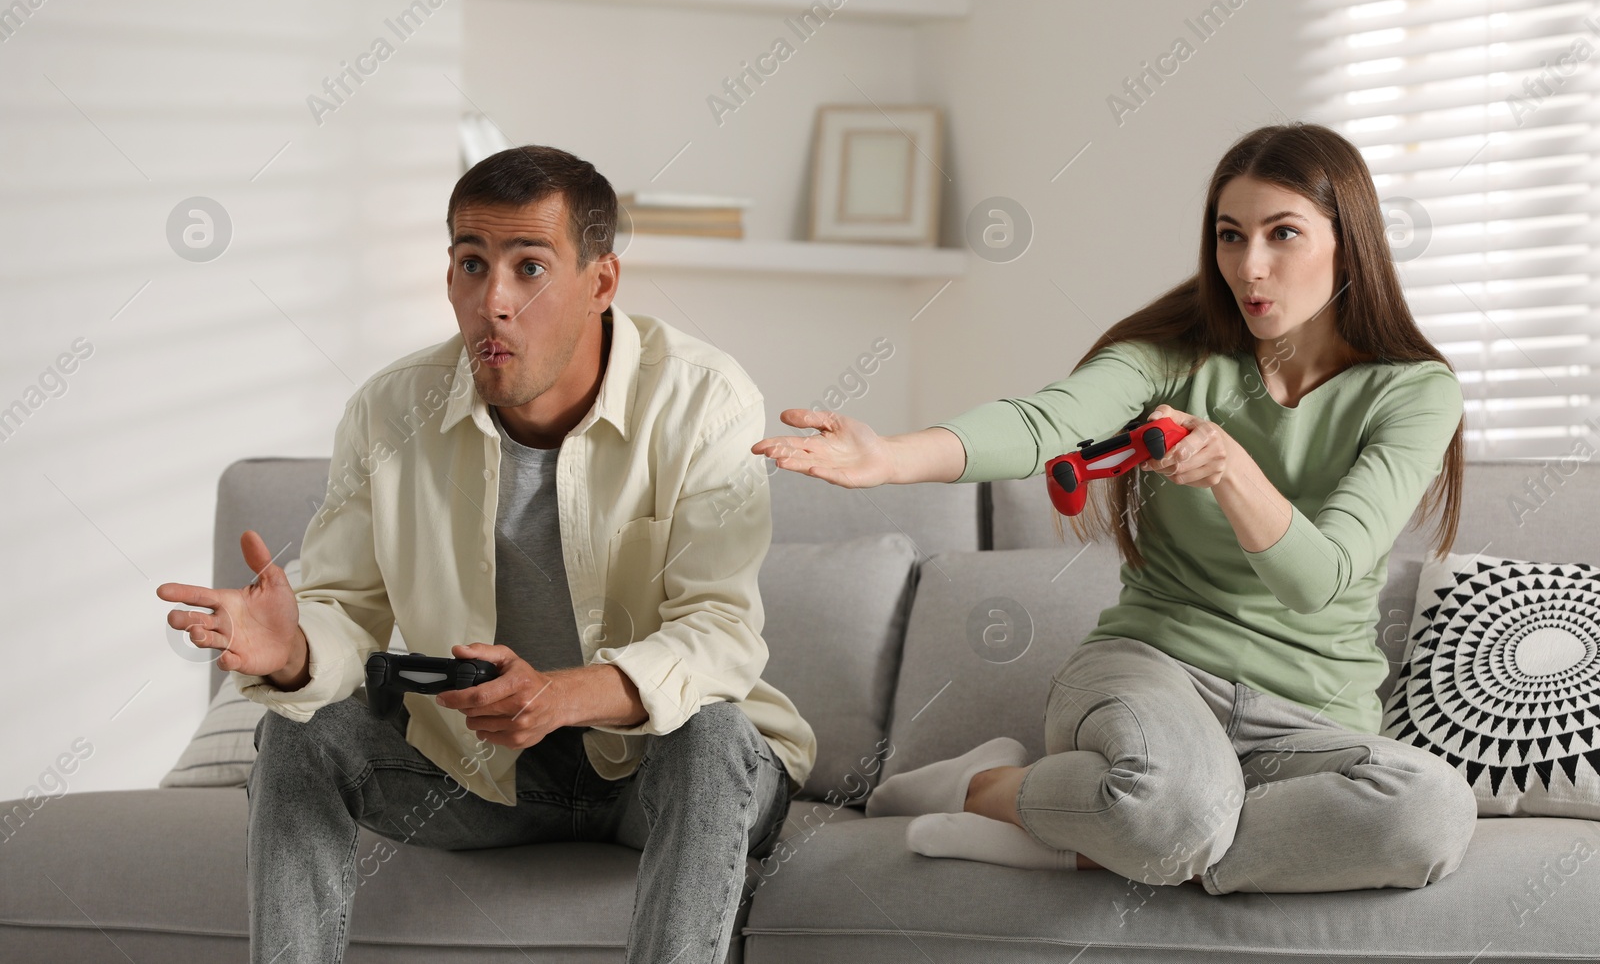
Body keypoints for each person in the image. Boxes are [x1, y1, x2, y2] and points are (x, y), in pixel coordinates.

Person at [753, 122, 1479, 896]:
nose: (1250, 266)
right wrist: (891, 456)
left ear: (1350, 241)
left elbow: (1319, 576)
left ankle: (1101, 834)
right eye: (1230, 236)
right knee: (1173, 807)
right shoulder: (1172, 356)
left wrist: (1232, 467)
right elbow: (1042, 422)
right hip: (1151, 672)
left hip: (1314, 716)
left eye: (1284, 233)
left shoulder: (1413, 392)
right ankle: (990, 788)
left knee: (1429, 811)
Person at [158, 144, 814, 963]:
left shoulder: (703, 399)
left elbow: (720, 632)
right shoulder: (389, 408)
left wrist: (562, 694)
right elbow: (346, 613)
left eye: (529, 267)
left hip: (657, 772)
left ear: (601, 282)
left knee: (713, 732)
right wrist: (293, 653)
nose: (493, 301)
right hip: (478, 776)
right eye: (472, 264)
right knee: (294, 730)